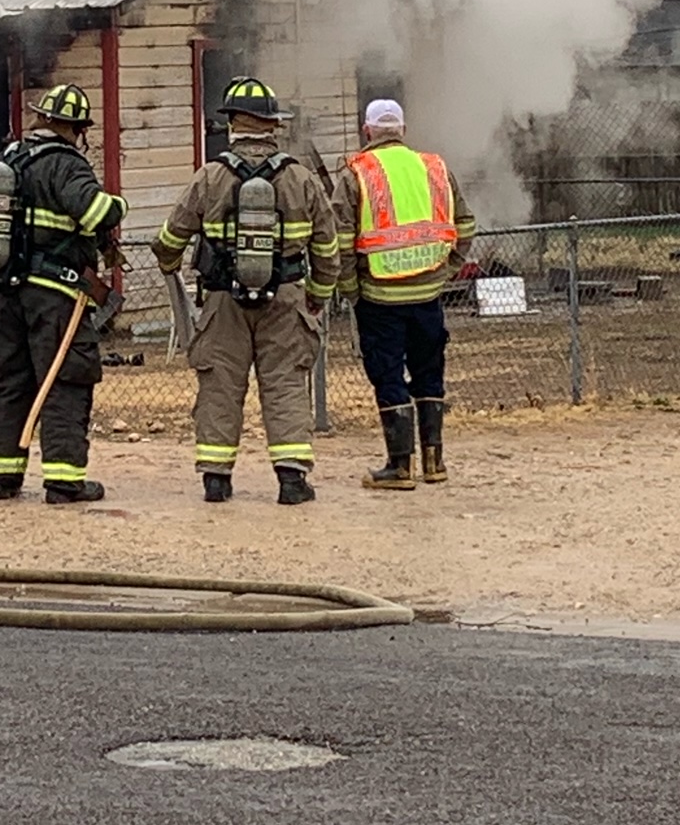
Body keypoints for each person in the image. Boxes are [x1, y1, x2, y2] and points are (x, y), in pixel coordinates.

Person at [151, 77, 340, 505]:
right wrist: (318, 294)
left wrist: (170, 265)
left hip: (222, 301)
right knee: (286, 383)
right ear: (272, 124)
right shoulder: (301, 178)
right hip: (287, 298)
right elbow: (327, 248)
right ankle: (292, 481)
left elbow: (170, 236)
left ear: (233, 124)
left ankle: (216, 480)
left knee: (219, 385)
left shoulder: (210, 176)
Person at [0, 84, 127, 504]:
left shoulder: (5, 160)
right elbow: (95, 212)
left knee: (9, 381)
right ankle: (64, 483)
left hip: (3, 293)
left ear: (41, 118)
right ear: (78, 129)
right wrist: (118, 206)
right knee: (65, 383)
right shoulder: (66, 164)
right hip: (55, 296)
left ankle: (1, 479)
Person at [330, 99, 475, 491]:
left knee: (388, 374)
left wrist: (349, 288)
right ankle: (434, 462)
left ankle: (399, 466)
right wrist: (447, 269)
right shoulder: (435, 168)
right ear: (403, 131)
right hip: (429, 296)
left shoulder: (356, 174)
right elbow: (465, 223)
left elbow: (340, 240)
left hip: (379, 298)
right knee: (430, 373)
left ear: (367, 131)